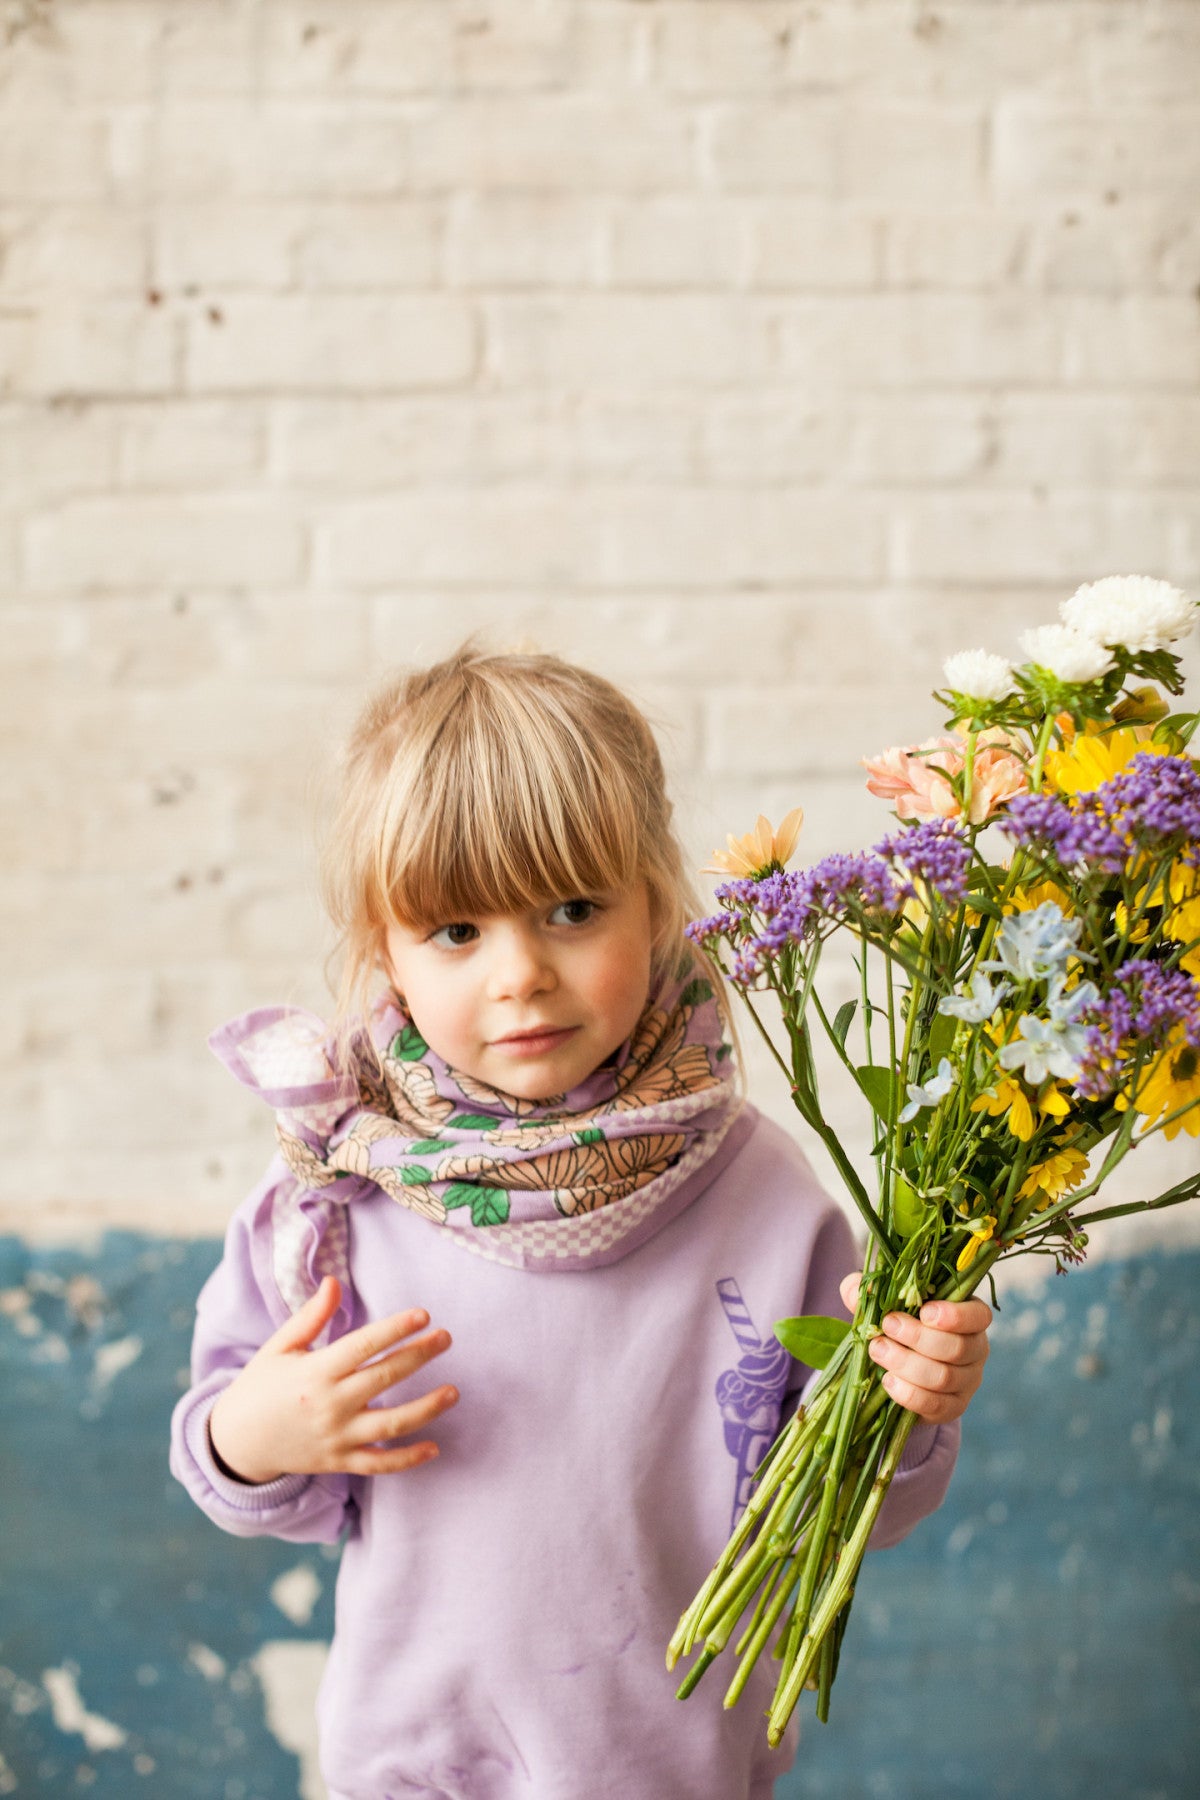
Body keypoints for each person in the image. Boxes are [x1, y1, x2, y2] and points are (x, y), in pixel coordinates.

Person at [170, 645, 992, 1800]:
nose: (520, 975)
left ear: (657, 903)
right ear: (383, 953)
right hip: (412, 1767)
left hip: (677, 1771)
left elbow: (855, 1511)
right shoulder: (339, 1190)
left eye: (571, 909)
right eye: (456, 931)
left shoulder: (764, 1195)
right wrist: (256, 1432)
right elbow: (224, 1456)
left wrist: (911, 1403)